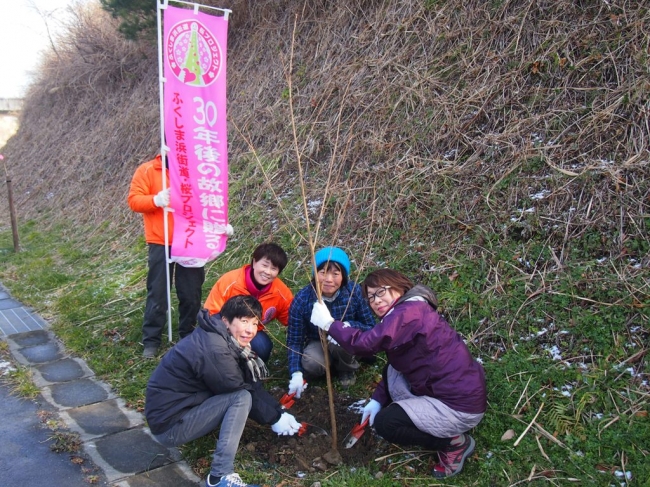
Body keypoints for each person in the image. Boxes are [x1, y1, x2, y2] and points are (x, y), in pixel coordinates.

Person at [310, 269, 487, 479]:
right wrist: (377, 399)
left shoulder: (408, 313)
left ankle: (453, 444)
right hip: (447, 389)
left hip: (458, 406)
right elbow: (395, 366)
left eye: (381, 292)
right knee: (393, 366)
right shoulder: (409, 310)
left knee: (386, 423)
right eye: (371, 297)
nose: (376, 301)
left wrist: (330, 324)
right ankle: (398, 409)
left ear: (399, 287)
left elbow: (366, 344)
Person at [145, 295, 302, 487]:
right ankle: (220, 476)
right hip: (169, 426)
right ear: (226, 320)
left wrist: (279, 410)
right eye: (244, 321)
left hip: (179, 409)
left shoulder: (222, 337)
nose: (250, 330)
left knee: (242, 393)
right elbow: (240, 389)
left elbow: (248, 382)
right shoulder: (215, 349)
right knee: (240, 398)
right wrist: (274, 419)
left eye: (254, 323)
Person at [129, 154, 231, 358]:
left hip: (191, 238)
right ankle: (151, 340)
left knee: (191, 290)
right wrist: (155, 200)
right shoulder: (149, 170)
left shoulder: (197, 172)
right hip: (161, 240)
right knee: (158, 291)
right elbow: (134, 200)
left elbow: (208, 202)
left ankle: (188, 336)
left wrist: (219, 224)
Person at [286, 247, 375, 394]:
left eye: (335, 274)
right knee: (311, 363)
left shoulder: (354, 292)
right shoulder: (303, 299)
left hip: (347, 342)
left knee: (341, 340)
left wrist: (345, 327)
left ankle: (345, 368)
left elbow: (370, 326)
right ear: (315, 274)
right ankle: (329, 363)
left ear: (343, 276)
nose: (328, 279)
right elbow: (294, 341)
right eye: (323, 272)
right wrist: (296, 372)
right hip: (318, 342)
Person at [203, 243, 293, 362]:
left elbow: (293, 318)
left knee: (263, 347)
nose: (267, 272)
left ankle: (248, 370)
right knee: (217, 349)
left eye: (273, 269)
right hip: (224, 329)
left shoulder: (281, 293)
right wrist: (233, 339)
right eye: (265, 265)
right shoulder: (230, 281)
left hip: (251, 333)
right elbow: (211, 314)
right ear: (254, 262)